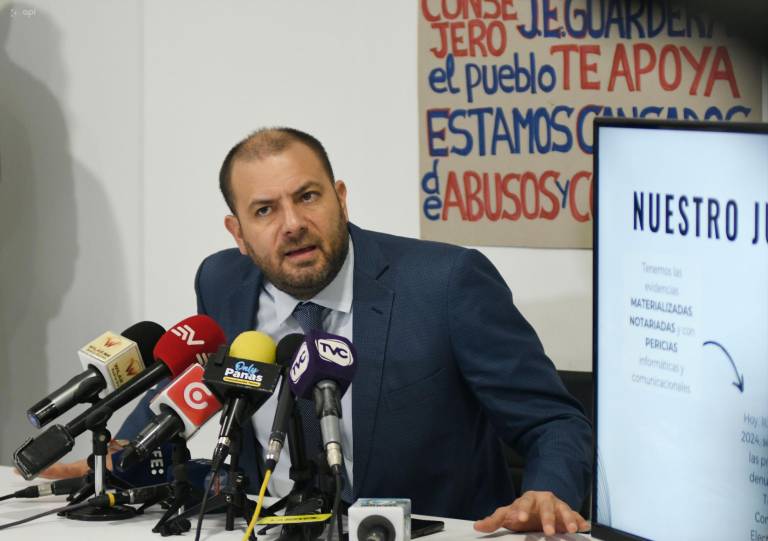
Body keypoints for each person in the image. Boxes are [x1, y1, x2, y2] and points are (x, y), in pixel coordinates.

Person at [50, 127, 593, 535]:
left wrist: (546, 493)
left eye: (307, 197)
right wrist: (127, 449)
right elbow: (200, 374)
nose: (292, 223)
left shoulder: (446, 284)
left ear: (340, 197)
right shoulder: (221, 281)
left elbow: (554, 422)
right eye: (265, 210)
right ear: (238, 233)